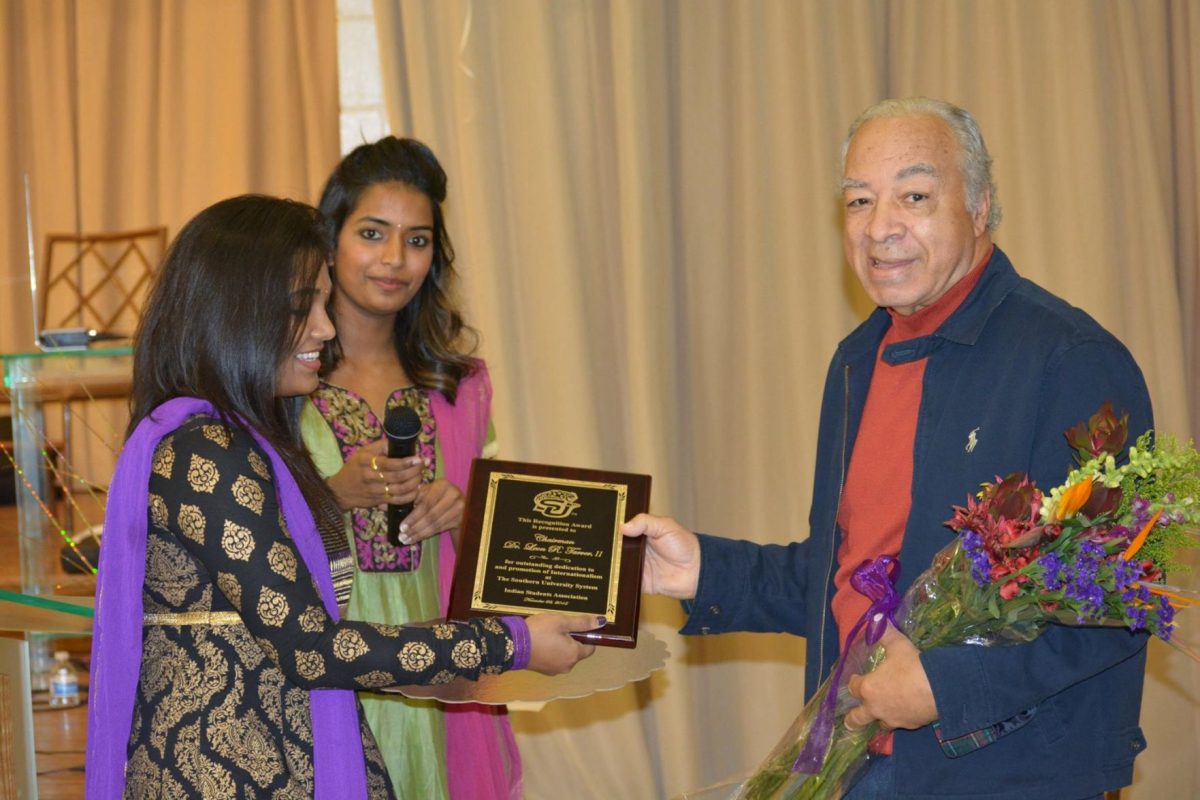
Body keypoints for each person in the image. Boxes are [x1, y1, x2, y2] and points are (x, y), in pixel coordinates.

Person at [622, 98, 1153, 799]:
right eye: (858, 201)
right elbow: (847, 575)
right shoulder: (859, 361)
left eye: (914, 195)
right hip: (856, 760)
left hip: (1008, 774)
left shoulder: (1071, 360)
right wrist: (706, 571)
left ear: (981, 205)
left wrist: (946, 684)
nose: (880, 228)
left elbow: (1122, 595)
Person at [85, 194, 599, 799]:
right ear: (236, 314)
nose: (327, 330)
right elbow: (309, 647)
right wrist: (509, 642)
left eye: (325, 304)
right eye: (305, 307)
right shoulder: (203, 451)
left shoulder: (250, 443)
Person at [300, 136, 516, 800]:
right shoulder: (284, 375)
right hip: (320, 662)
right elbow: (241, 520)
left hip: (435, 670)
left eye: (417, 240)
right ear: (330, 240)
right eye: (373, 233)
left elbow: (507, 543)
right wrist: (332, 494)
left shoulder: (457, 386)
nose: (395, 260)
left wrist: (465, 511)